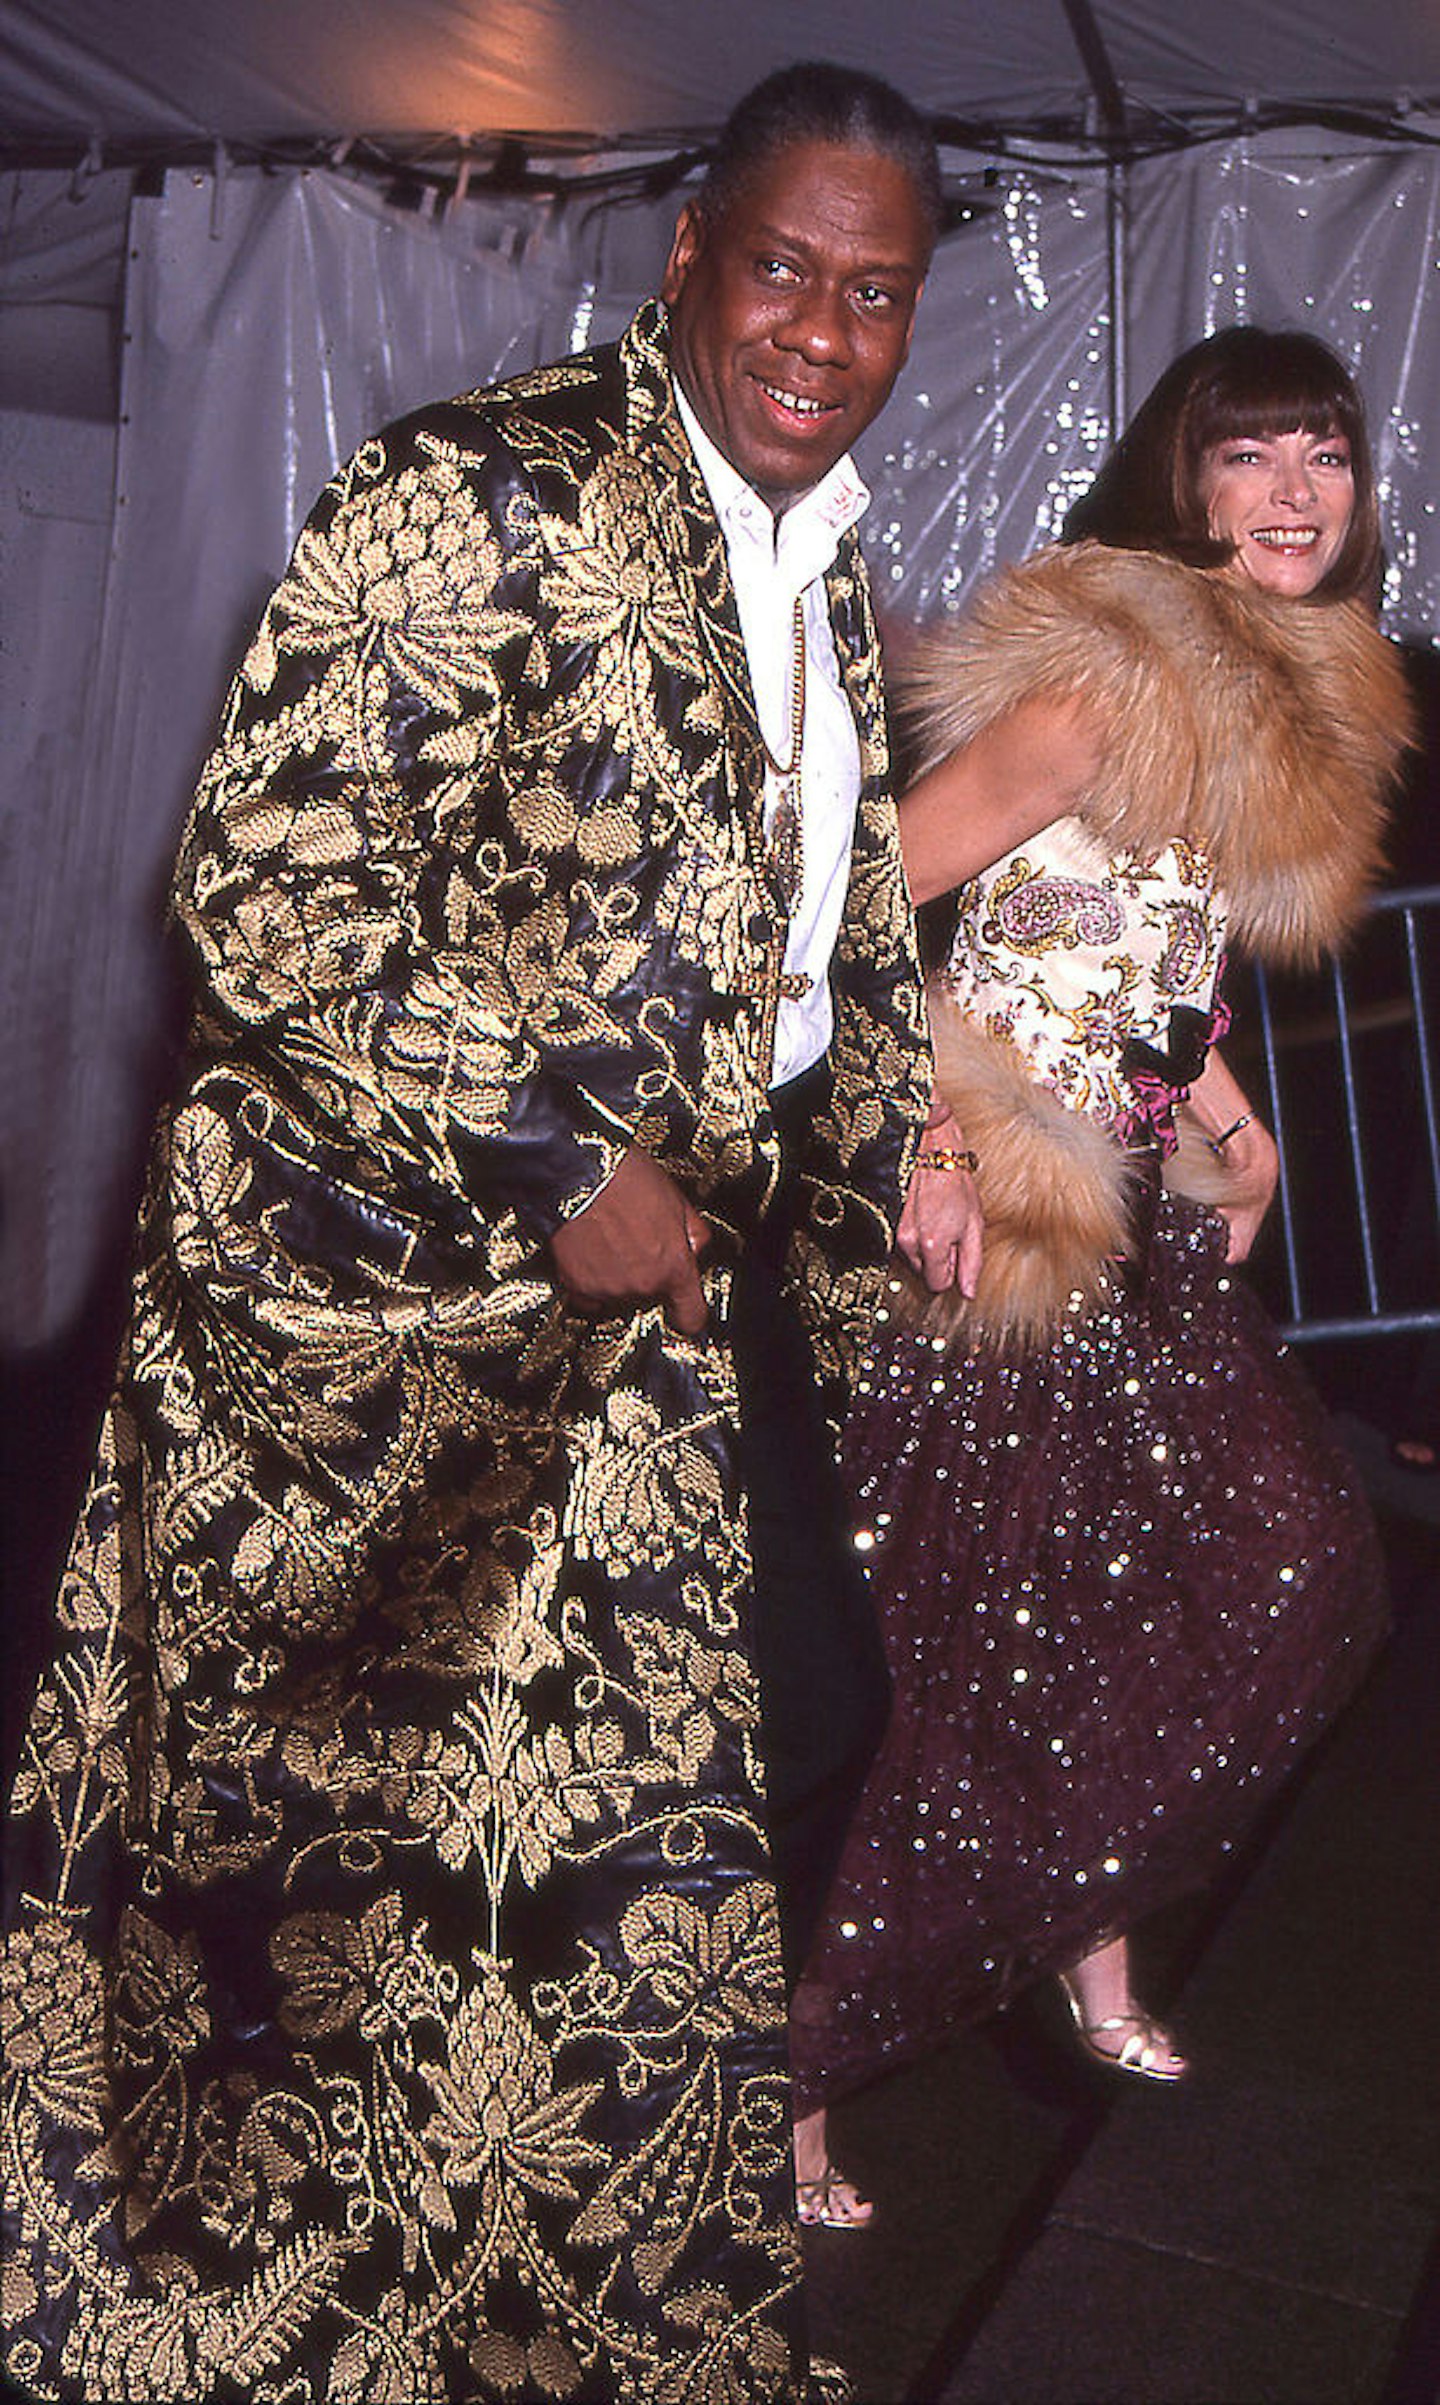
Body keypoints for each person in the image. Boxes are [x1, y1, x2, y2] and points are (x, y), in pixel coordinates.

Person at [0, 65, 941, 2403]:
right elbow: (261, 884)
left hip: (653, 1327)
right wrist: (547, 1152)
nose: (822, 331)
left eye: (877, 293)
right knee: (385, 1857)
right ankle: (334, 2289)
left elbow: (814, 939)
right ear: (689, 257)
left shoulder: (830, 567)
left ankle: (524, 2269)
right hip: (406, 1313)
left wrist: (899, 1153)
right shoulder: (483, 491)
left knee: (745, 1750)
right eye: (784, 270)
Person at [789, 327, 1415, 2224]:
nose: (1295, 489)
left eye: (1324, 450)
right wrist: (927, 1136)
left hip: (1132, 1214)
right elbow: (877, 895)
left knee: (1278, 1571)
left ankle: (1084, 1928)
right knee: (941, 1663)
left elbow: (1139, 947)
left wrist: (1236, 1122)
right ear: (1186, 485)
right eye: (1252, 457)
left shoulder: (1289, 695)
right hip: (996, 1231)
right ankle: (792, 2070)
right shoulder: (1109, 672)